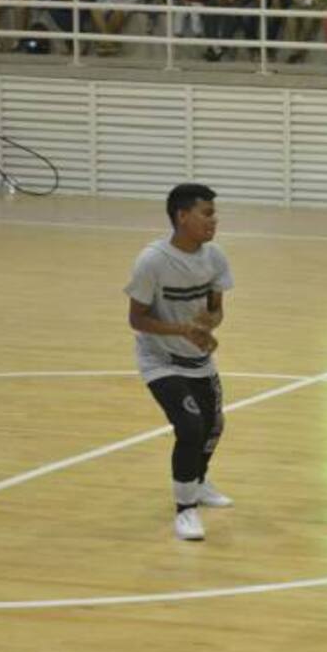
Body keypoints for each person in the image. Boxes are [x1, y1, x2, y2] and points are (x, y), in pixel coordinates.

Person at [125, 183, 234, 542]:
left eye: (214, 213)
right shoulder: (152, 261)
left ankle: (197, 482)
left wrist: (206, 327)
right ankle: (185, 511)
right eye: (206, 212)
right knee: (189, 427)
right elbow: (137, 319)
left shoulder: (214, 257)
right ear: (182, 216)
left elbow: (216, 309)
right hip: (160, 359)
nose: (213, 220)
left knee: (213, 426)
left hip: (198, 357)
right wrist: (180, 330)